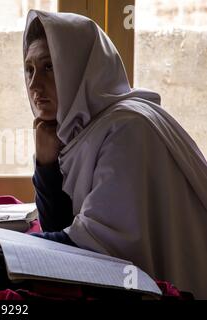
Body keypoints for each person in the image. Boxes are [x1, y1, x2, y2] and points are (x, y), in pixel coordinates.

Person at [24, 10, 207, 299]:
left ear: (82, 70)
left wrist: (5, 249)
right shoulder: (85, 130)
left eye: (49, 67)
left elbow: (95, 250)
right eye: (29, 69)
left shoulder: (127, 129)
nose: (34, 85)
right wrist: (46, 165)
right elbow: (61, 229)